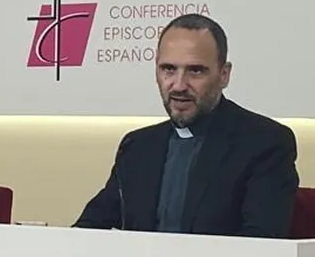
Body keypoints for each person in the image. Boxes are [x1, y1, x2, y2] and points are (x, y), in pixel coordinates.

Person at [74, 14, 299, 237]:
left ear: (224, 75)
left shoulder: (264, 142)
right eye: (168, 69)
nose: (179, 85)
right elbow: (89, 228)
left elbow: (261, 242)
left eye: (195, 71)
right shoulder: (137, 146)